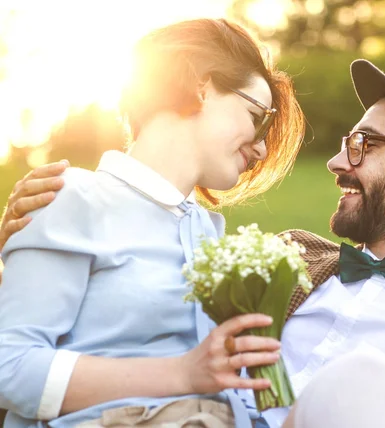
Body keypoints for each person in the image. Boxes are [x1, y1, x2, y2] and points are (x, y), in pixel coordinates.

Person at [1, 56, 385, 427]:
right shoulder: (278, 258)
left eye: (364, 144)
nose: (338, 161)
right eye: (345, 143)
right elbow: (123, 306)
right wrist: (27, 245)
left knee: (364, 381)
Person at [0, 17, 306, 428]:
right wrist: (183, 373)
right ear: (203, 87)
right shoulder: (72, 196)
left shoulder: (208, 231)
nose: (263, 145)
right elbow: (10, 366)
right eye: (259, 116)